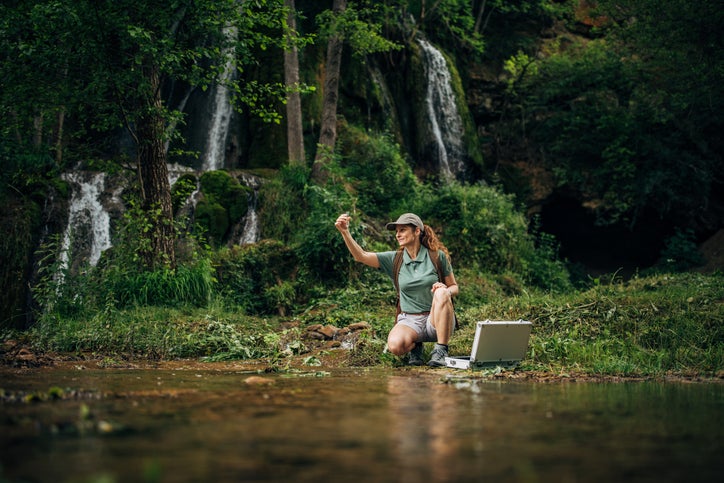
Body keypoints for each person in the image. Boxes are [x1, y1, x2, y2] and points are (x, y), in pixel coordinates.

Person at [334, 212, 459, 367]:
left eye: (403, 230)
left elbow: (454, 286)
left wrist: (446, 290)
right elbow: (361, 256)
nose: (398, 235)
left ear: (417, 231)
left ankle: (441, 350)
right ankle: (416, 346)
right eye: (397, 231)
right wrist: (345, 232)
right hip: (410, 320)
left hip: (436, 319)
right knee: (395, 346)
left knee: (441, 292)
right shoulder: (395, 259)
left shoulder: (436, 257)